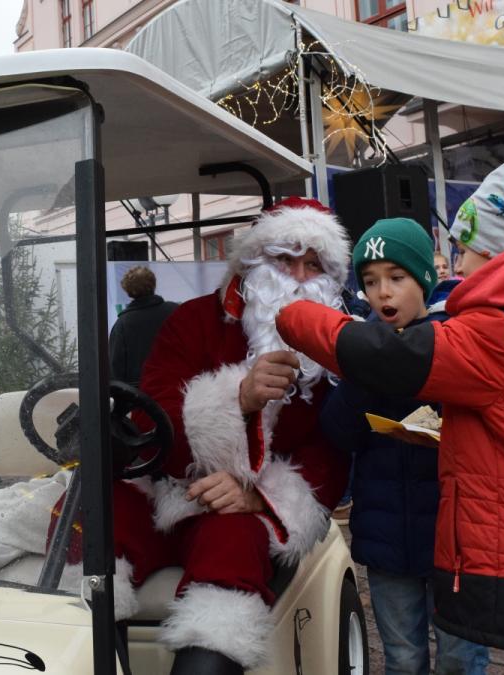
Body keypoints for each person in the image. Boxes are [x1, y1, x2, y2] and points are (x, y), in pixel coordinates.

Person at [276, 163, 504, 675]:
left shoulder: (498, 332)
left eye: (464, 249)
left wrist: (292, 313)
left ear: (496, 249)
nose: (457, 264)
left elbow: (385, 356)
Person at [91, 197, 352, 675]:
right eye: (283, 258)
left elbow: (329, 451)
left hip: (241, 506)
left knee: (231, 545)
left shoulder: (335, 349)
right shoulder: (191, 321)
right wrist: (239, 401)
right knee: (99, 518)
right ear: (253, 261)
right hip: (170, 481)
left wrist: (258, 495)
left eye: (312, 264)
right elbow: (154, 420)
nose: (296, 275)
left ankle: (205, 662)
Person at [320, 217, 490, 675]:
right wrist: (364, 369)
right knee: (403, 658)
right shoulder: (362, 345)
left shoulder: (456, 340)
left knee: (460, 656)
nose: (383, 293)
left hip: (453, 540)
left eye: (396, 278)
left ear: (425, 279)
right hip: (386, 540)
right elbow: (338, 432)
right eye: (371, 282)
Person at [109, 266, 178, 388]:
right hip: (177, 389)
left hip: (141, 398)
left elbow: (116, 370)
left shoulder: (123, 324)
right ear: (153, 284)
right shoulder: (175, 311)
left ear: (128, 291)